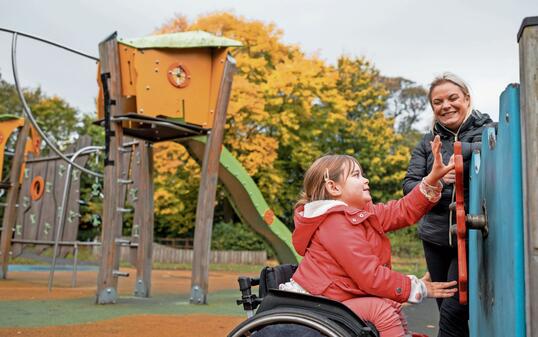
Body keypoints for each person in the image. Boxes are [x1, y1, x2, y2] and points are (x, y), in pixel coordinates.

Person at [279, 135, 457, 337]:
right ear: (333, 187)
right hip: (319, 304)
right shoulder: (334, 223)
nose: (365, 180)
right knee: (380, 310)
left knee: (390, 304)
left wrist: (432, 180)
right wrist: (417, 287)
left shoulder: (361, 215)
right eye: (356, 175)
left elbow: (401, 210)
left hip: (337, 298)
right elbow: (369, 275)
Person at [403, 73, 493, 337]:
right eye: (438, 102)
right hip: (435, 236)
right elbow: (409, 186)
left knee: (454, 310)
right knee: (447, 309)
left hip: (474, 233)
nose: (446, 106)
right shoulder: (427, 142)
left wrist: (460, 156)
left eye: (453, 98)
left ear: (466, 98)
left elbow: (487, 153)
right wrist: (437, 181)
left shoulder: (488, 131)